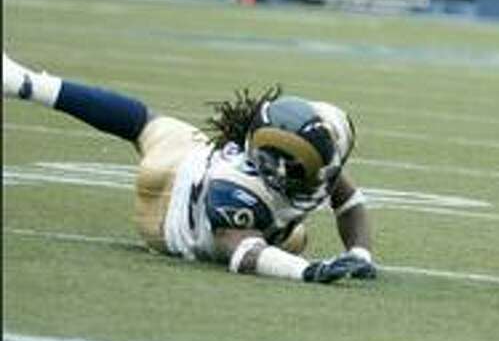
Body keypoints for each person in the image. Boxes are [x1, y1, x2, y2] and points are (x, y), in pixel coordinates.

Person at [2, 51, 376, 284]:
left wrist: (360, 255)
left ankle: (25, 83)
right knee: (294, 244)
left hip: (190, 153)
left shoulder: (308, 160)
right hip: (166, 208)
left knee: (143, 120)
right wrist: (307, 272)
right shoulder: (242, 187)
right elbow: (244, 252)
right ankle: (22, 82)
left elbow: (348, 200)